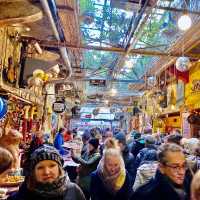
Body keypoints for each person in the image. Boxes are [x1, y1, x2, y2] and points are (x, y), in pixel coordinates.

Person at [8, 145, 86, 200]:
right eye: (40, 167)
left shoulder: (73, 191)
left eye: (52, 166)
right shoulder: (24, 194)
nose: (46, 172)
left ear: (59, 168)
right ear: (33, 172)